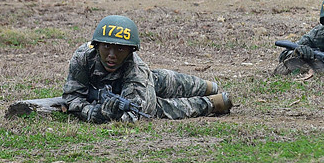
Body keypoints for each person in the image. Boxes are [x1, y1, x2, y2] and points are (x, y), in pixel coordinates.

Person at [62, 15, 233, 123]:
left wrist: (108, 115)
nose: (112, 55)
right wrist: (93, 113)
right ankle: (210, 97)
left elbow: (136, 115)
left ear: (131, 51)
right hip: (131, 84)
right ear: (96, 45)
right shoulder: (84, 56)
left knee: (158, 108)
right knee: (159, 78)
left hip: (136, 86)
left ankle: (209, 96)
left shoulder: (137, 71)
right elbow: (72, 97)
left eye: (120, 49)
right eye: (106, 47)